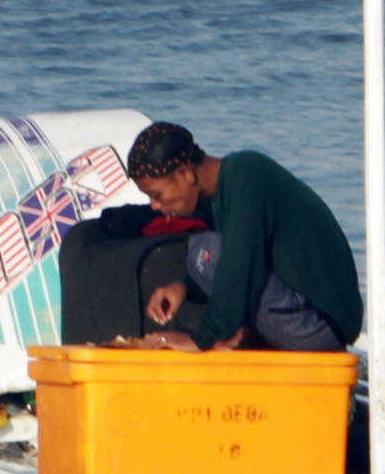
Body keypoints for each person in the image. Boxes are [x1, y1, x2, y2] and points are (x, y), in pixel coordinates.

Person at [126, 122, 363, 353]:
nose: (154, 206)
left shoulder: (248, 178)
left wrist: (201, 340)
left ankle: (225, 335)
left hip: (323, 326)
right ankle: (237, 335)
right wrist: (184, 287)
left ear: (185, 174)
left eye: (155, 195)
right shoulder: (225, 188)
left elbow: (239, 265)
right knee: (202, 249)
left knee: (205, 249)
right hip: (310, 317)